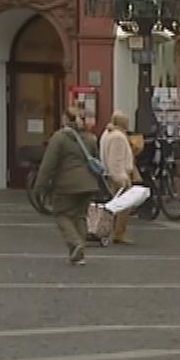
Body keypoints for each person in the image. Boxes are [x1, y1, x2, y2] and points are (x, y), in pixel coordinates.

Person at [33, 111, 102, 266]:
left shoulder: (59, 138)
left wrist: (40, 185)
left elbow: (48, 164)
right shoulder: (90, 138)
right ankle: (79, 255)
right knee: (80, 216)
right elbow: (97, 159)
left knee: (61, 214)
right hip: (88, 184)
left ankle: (76, 242)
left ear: (65, 119)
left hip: (66, 185)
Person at [99, 113, 138, 246]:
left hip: (108, 174)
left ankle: (111, 232)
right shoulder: (119, 137)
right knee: (123, 207)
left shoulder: (107, 133)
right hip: (118, 176)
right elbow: (116, 160)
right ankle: (119, 233)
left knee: (113, 205)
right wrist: (122, 178)